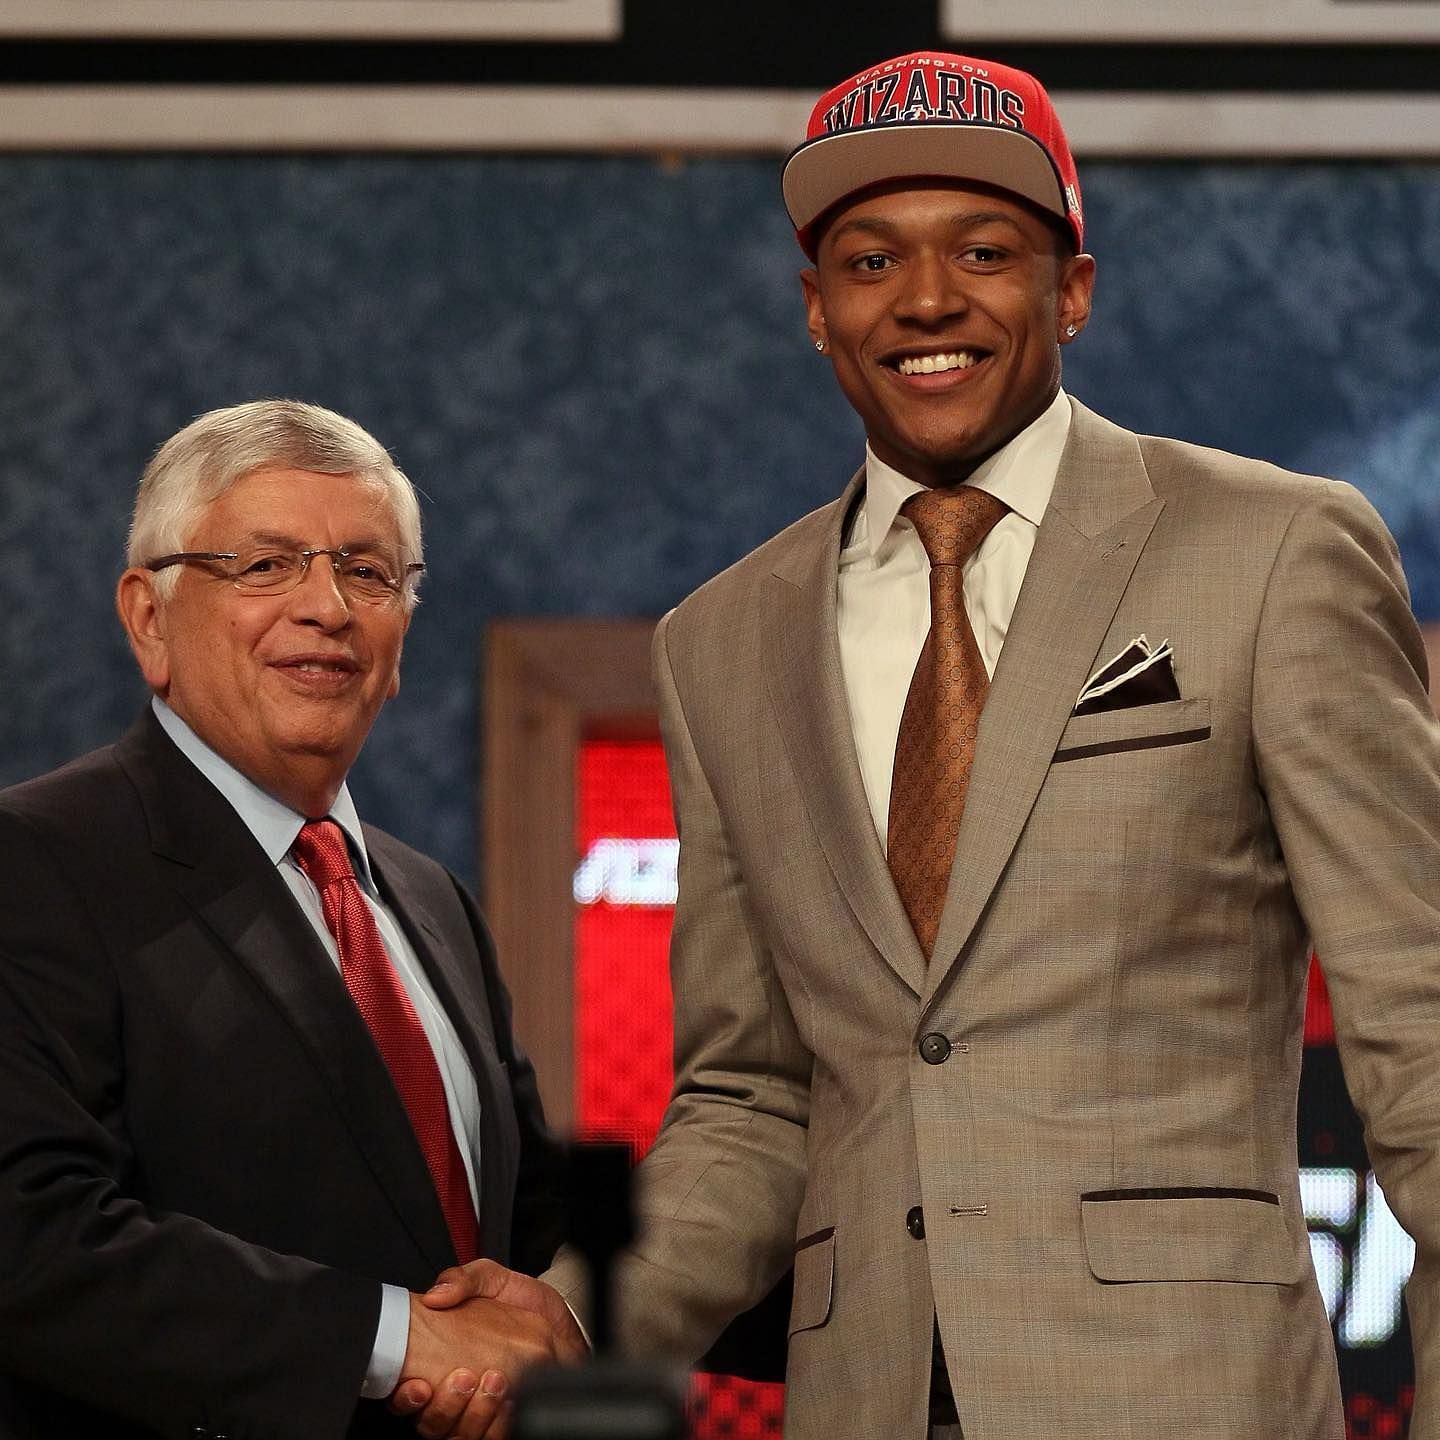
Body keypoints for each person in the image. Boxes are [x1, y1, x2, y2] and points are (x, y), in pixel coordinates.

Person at [422, 48, 1440, 1440]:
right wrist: (578, 1314)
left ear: (1072, 288)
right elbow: (754, 1095)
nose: (927, 299)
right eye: (869, 259)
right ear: (815, 313)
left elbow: (1421, 1026)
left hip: (1190, 1397)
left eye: (984, 247)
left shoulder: (1274, 551)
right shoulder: (717, 641)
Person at [0, 400, 584, 1440]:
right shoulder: (35, 864)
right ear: (147, 617)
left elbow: (526, 1222)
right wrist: (403, 1339)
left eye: (368, 572)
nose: (328, 607)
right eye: (264, 567)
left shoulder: (431, 900)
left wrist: (570, 1314)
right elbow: (29, 1237)